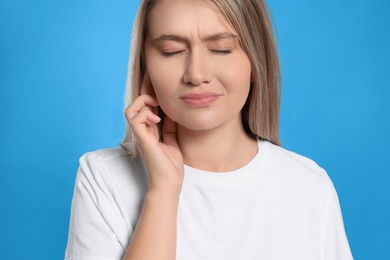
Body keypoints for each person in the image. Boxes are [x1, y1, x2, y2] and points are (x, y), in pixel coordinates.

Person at [64, 0, 353, 259]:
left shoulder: (309, 185)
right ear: (146, 66)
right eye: (171, 51)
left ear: (255, 60)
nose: (196, 74)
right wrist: (163, 190)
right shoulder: (103, 177)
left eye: (221, 49)